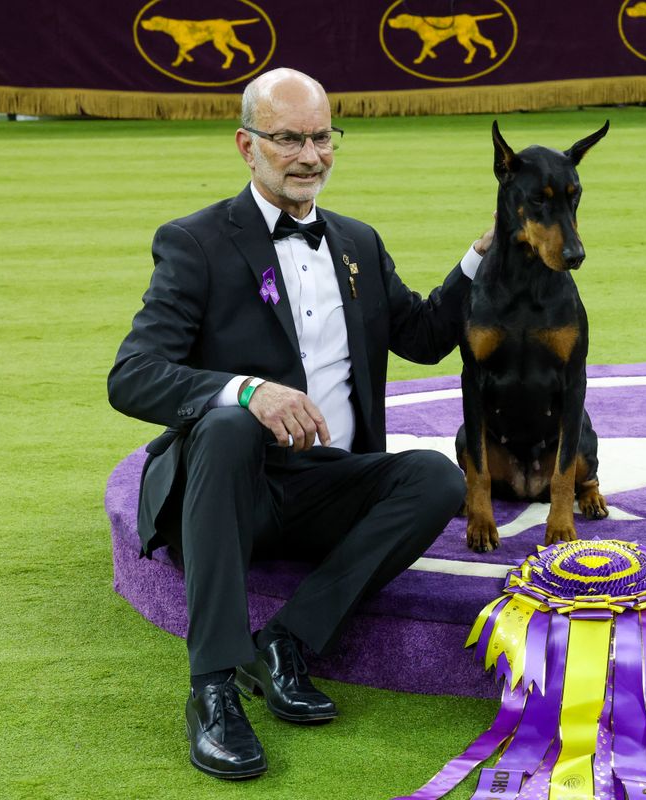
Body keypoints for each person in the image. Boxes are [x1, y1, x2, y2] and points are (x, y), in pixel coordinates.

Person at [107, 68, 489, 780]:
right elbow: (131, 375)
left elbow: (427, 334)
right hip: (229, 494)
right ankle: (214, 686)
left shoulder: (358, 244)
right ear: (247, 146)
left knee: (436, 477)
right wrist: (248, 391)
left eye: (321, 137)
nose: (310, 155)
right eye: (289, 139)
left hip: (329, 490)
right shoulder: (195, 243)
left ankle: (286, 641)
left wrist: (483, 254)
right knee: (226, 427)